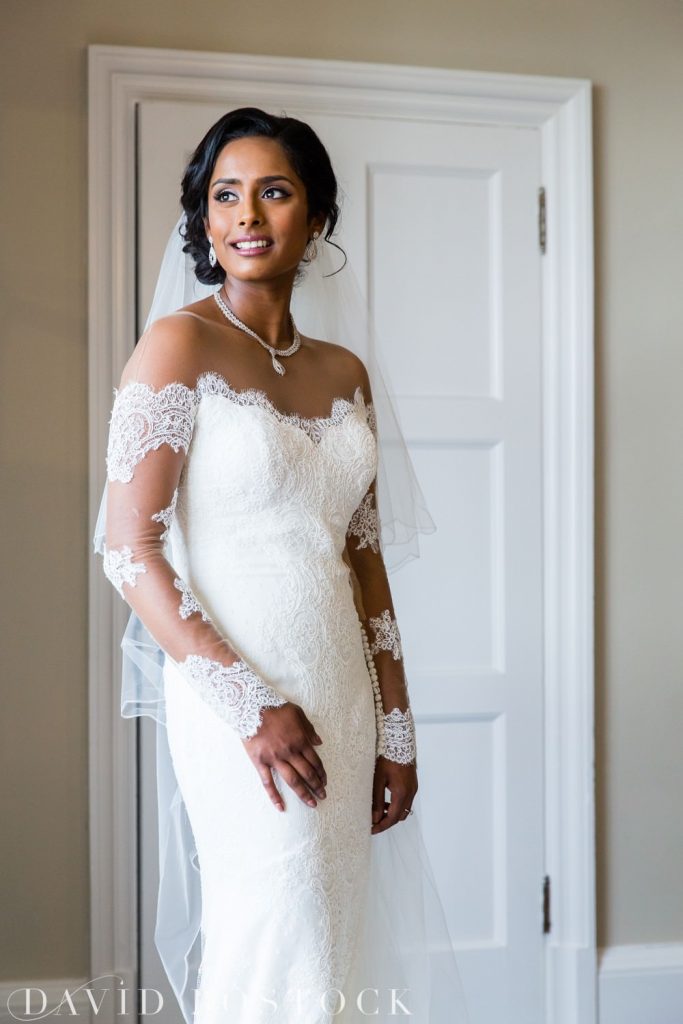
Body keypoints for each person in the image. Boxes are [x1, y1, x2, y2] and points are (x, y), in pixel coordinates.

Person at [97, 107, 469, 1023]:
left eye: (274, 190)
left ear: (314, 217)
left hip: (340, 691)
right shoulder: (176, 346)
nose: (247, 214)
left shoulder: (345, 373)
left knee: (330, 938)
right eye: (226, 195)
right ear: (205, 220)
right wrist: (247, 705)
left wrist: (396, 727)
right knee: (275, 928)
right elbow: (128, 549)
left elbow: (364, 561)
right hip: (239, 700)